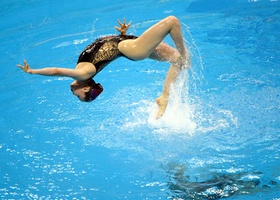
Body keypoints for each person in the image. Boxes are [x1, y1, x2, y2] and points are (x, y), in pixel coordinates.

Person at [17, 16, 190, 119]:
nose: (74, 95)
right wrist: (32, 72)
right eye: (79, 97)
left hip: (127, 42)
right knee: (172, 22)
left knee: (179, 62)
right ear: (85, 87)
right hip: (133, 49)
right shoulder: (84, 73)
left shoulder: (83, 69)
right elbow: (56, 71)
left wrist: (121, 34)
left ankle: (164, 97)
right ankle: (183, 54)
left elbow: (106, 49)